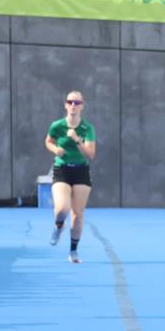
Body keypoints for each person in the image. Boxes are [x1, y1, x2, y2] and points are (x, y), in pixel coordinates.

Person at [44, 90, 96, 263]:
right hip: (62, 169)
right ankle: (59, 226)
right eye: (70, 102)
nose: (74, 105)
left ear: (82, 106)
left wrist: (77, 140)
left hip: (81, 171)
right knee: (61, 209)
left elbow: (90, 154)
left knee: (77, 214)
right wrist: (55, 149)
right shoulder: (57, 125)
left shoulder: (87, 128)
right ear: (66, 105)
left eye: (77, 102)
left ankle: (73, 251)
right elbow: (48, 141)